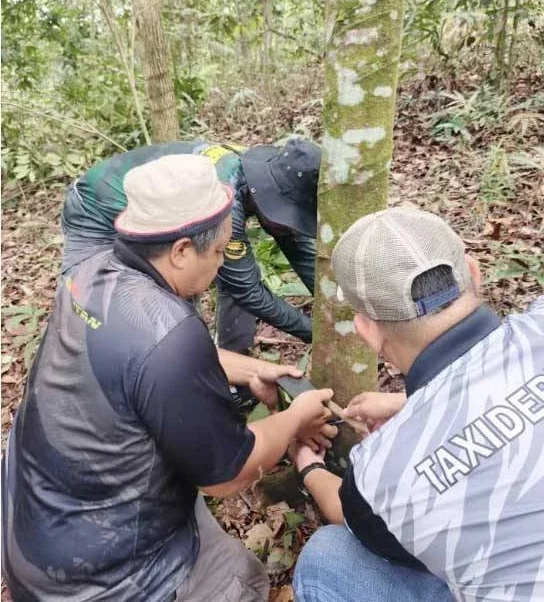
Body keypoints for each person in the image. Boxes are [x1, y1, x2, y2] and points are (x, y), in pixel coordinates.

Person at [2, 155, 338, 601]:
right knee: (243, 578)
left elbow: (139, 360)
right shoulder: (171, 334)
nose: (221, 265)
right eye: (218, 251)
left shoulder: (91, 274)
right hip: (93, 581)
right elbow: (228, 474)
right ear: (181, 251)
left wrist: (255, 368)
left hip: (33, 527)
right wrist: (296, 419)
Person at [288, 207, 544, 601]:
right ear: (474, 273)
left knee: (328, 556)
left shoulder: (381, 473)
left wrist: (309, 466)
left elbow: (348, 514)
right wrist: (409, 403)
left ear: (367, 331)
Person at [60, 138, 321, 353]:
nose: (289, 229)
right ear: (267, 198)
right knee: (91, 299)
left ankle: (229, 367)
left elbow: (296, 249)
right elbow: (248, 291)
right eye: (286, 218)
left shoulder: (263, 174)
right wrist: (315, 333)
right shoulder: (226, 194)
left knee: (224, 271)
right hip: (96, 208)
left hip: (165, 215)